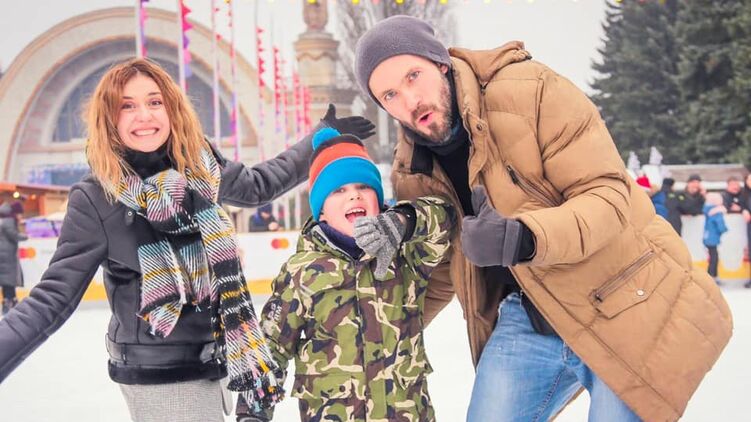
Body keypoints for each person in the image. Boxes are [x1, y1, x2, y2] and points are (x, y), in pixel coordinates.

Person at [354, 15, 732, 421]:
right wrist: (373, 331)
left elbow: (608, 197)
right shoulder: (412, 169)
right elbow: (446, 268)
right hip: (529, 316)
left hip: (623, 294)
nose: (410, 100)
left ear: (440, 63)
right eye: (390, 95)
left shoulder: (531, 90)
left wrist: (523, 238)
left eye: (413, 76)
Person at [0, 58, 375, 422]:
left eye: (154, 102)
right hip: (160, 374)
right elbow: (52, 298)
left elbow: (259, 184)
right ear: (108, 119)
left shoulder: (200, 167)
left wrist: (318, 140)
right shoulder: (97, 197)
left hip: (217, 359)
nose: (144, 116)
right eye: (127, 106)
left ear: (171, 108)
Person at [237, 127, 455, 422]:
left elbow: (446, 218)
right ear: (321, 212)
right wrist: (252, 414)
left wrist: (404, 221)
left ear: (378, 200)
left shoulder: (405, 257)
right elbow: (270, 349)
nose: (353, 195)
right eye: (338, 190)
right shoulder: (302, 273)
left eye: (363, 187)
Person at [0, 202, 27, 315]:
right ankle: (9, 302)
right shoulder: (9, 221)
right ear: (15, 213)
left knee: (7, 280)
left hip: (4, 254)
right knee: (8, 280)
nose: (21, 216)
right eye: (20, 213)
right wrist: (25, 236)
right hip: (7, 255)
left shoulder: (4, 220)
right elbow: (14, 235)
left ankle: (10, 301)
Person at [703, 192, 728, 285]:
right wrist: (724, 229)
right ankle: (711, 276)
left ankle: (713, 276)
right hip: (712, 238)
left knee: (713, 257)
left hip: (707, 237)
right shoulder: (717, 212)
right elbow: (720, 224)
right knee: (714, 258)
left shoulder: (708, 210)